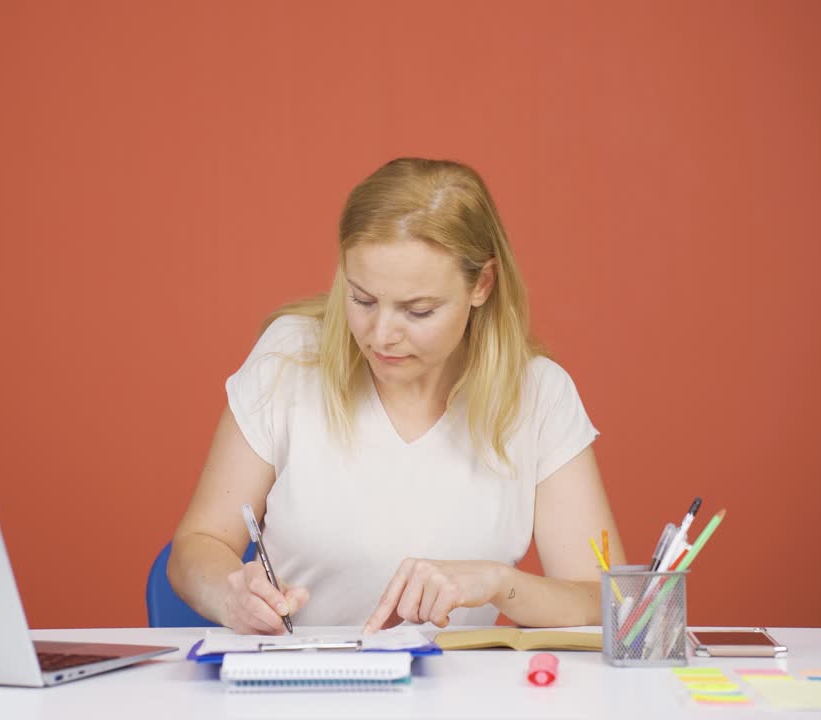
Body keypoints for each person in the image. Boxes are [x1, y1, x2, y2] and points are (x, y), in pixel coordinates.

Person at [168, 157, 625, 635]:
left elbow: (608, 603)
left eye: (418, 310)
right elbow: (196, 546)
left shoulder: (538, 396)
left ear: (482, 285)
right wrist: (228, 594)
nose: (381, 335)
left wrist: (498, 582)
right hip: (299, 687)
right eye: (362, 299)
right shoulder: (289, 359)